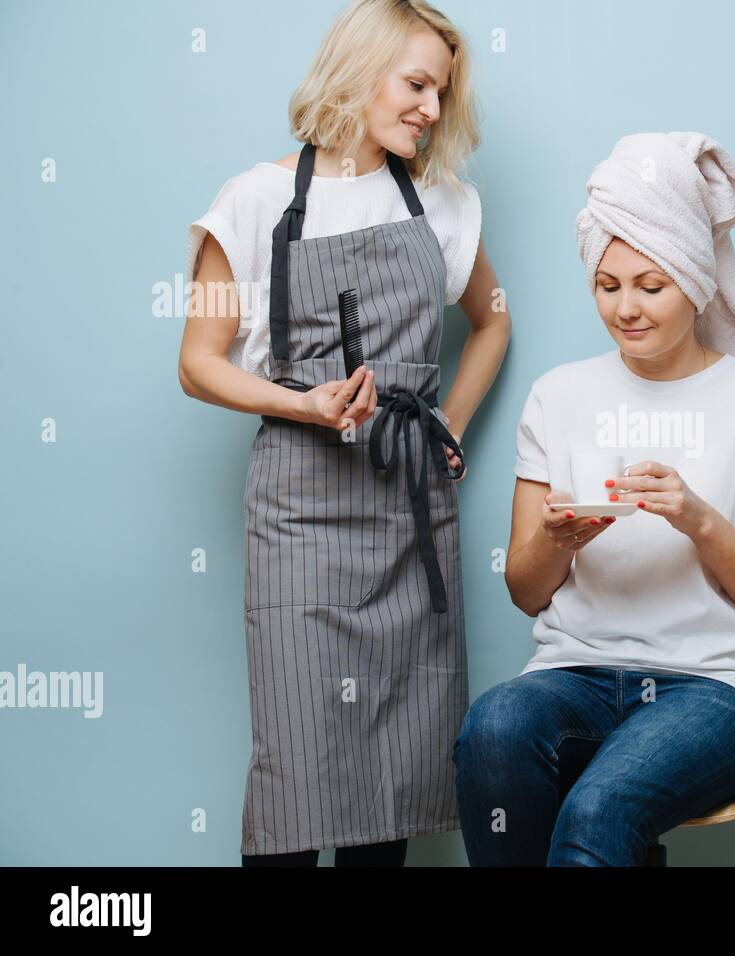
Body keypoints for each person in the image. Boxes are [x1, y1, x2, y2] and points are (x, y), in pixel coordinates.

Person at [178, 0, 509, 867]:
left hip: (406, 510)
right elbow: (198, 362)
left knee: (387, 782)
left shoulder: (443, 204)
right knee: (296, 772)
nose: (432, 109)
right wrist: (305, 405)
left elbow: (493, 321)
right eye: (417, 84)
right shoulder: (250, 202)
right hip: (298, 514)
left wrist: (450, 430)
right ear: (359, 69)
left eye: (440, 91)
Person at [453, 131, 735, 866]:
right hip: (572, 675)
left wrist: (699, 519)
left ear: (695, 279)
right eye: (607, 285)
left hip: (714, 690)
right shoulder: (558, 395)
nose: (626, 308)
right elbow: (526, 592)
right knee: (492, 729)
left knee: (599, 807)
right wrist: (557, 540)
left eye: (651, 285)